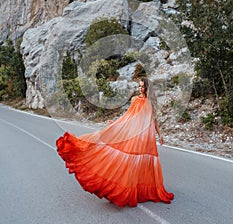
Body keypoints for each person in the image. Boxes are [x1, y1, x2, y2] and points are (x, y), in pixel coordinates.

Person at [56, 77, 174, 207]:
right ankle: (126, 190)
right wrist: (117, 124)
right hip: (134, 134)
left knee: (142, 163)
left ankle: (140, 191)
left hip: (146, 137)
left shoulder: (150, 102)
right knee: (131, 162)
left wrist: (160, 135)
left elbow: (154, 120)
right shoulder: (135, 100)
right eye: (139, 86)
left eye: (143, 86)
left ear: (147, 88)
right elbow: (128, 116)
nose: (140, 88)